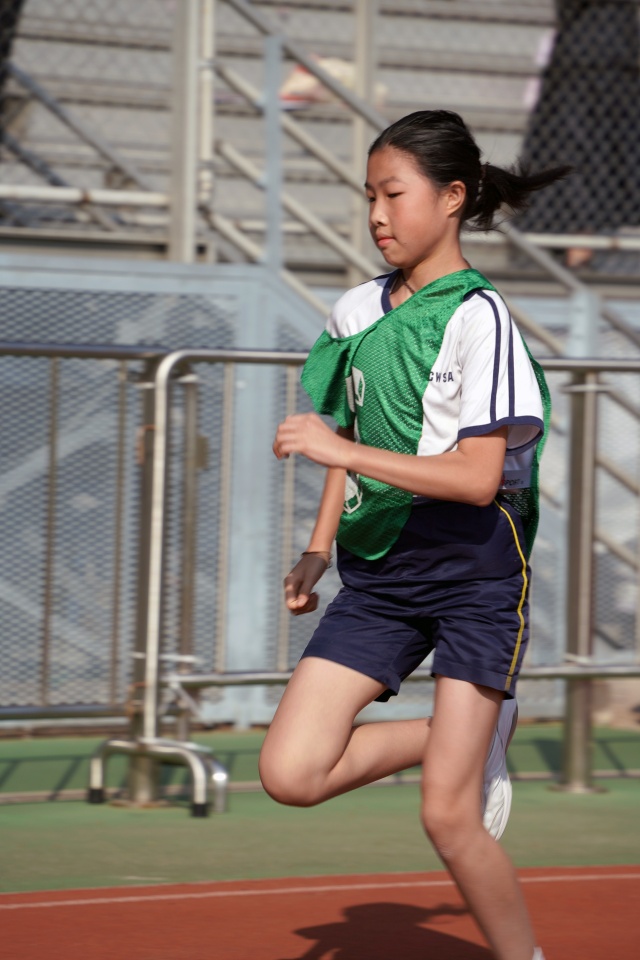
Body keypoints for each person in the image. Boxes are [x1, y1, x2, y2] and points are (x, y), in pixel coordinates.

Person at [260, 110, 567, 960]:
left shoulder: (480, 317)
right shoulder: (358, 309)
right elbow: (350, 439)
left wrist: (342, 451)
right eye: (369, 196)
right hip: (381, 575)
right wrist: (318, 546)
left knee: (447, 815)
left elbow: (476, 478)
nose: (377, 214)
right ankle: (465, 738)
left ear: (454, 196)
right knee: (289, 773)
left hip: (473, 572)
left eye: (394, 194)